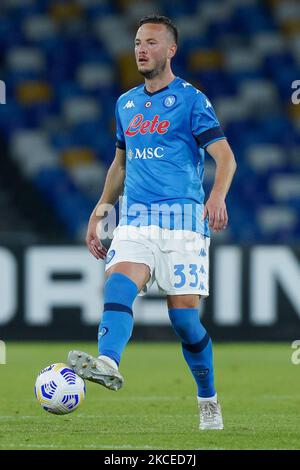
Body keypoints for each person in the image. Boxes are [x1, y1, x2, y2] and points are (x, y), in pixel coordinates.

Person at [68, 14, 236, 430]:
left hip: (183, 223)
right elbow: (119, 164)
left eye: (152, 42)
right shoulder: (125, 103)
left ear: (171, 50)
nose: (142, 49)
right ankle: (108, 361)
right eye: (138, 42)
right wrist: (102, 206)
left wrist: (216, 195)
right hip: (137, 219)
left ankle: (208, 399)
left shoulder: (192, 99)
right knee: (119, 282)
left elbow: (225, 157)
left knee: (184, 320)